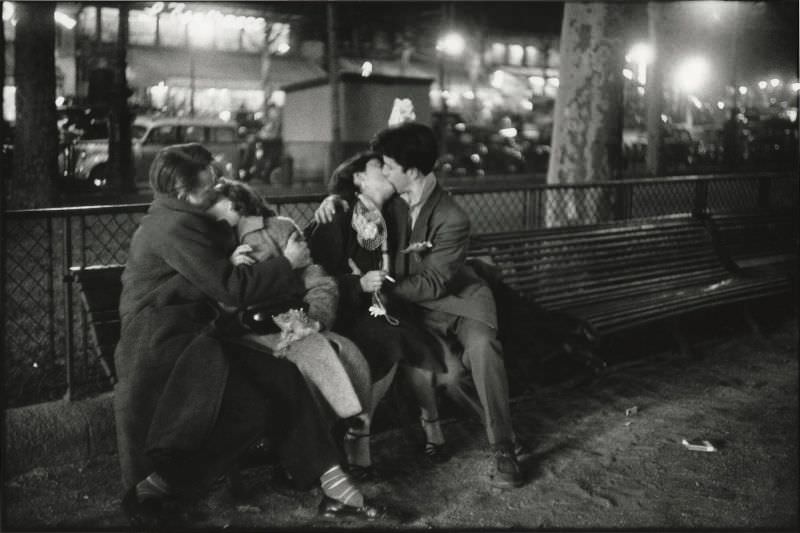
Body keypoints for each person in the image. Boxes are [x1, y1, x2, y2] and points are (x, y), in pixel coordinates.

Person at [113, 143, 395, 527]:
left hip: (201, 336)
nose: (218, 188)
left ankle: (338, 491)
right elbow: (231, 289)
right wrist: (286, 263)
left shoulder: (186, 219)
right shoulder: (174, 226)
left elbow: (226, 278)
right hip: (165, 342)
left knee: (285, 377)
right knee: (255, 404)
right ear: (183, 192)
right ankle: (156, 488)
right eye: (209, 185)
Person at [317, 125, 526, 489]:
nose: (383, 169)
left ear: (410, 171)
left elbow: (433, 283)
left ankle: (504, 447)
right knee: (450, 378)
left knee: (481, 350)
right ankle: (477, 425)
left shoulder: (451, 216)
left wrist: (379, 287)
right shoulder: (392, 200)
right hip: (418, 311)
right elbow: (356, 195)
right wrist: (334, 198)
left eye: (388, 164)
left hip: (459, 302)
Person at [306, 151, 450, 474]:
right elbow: (316, 278)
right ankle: (361, 433)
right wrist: (357, 283)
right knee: (391, 338)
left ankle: (430, 424)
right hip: (349, 312)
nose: (387, 170)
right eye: (377, 166)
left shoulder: (396, 212)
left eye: (389, 165)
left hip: (387, 306)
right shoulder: (337, 216)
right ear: (357, 178)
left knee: (409, 336)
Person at [206, 178, 373, 456]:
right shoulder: (210, 244)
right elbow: (220, 298)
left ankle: (335, 439)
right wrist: (231, 271)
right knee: (308, 360)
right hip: (242, 331)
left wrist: (316, 319)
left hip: (289, 321)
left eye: (225, 204)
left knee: (343, 352)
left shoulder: (279, 230)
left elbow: (320, 283)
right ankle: (314, 452)